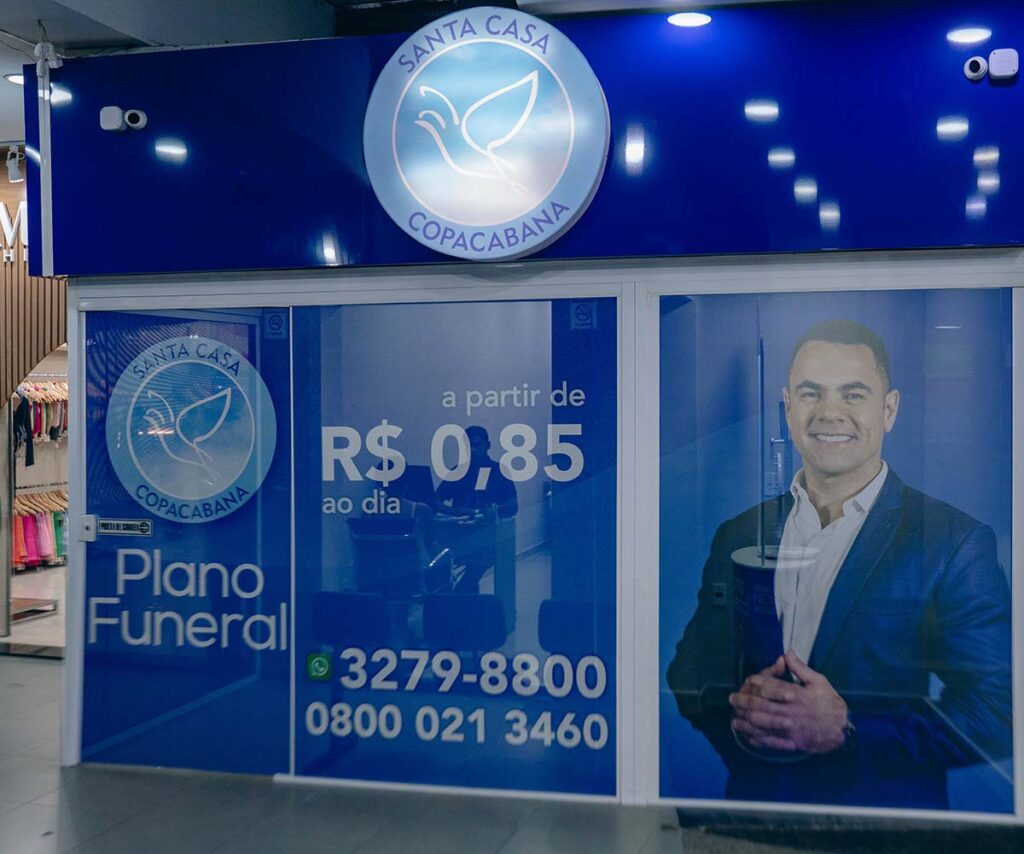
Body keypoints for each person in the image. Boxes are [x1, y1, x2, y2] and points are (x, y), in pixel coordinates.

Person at [667, 319, 1012, 809]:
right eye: (811, 393)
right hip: (751, 816)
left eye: (853, 394)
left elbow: (999, 710)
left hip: (881, 830)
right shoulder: (739, 534)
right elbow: (688, 672)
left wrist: (848, 730)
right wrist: (751, 728)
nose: (830, 412)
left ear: (888, 410)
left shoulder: (953, 543)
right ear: (788, 407)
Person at [434, 425, 517, 592]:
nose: (473, 450)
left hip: (487, 533)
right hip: (458, 533)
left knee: (478, 562)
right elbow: (435, 501)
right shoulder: (458, 471)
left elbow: (513, 505)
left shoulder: (499, 471)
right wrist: (455, 511)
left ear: (488, 445)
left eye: (477, 445)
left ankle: (459, 595)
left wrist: (493, 510)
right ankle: (459, 596)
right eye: (469, 446)